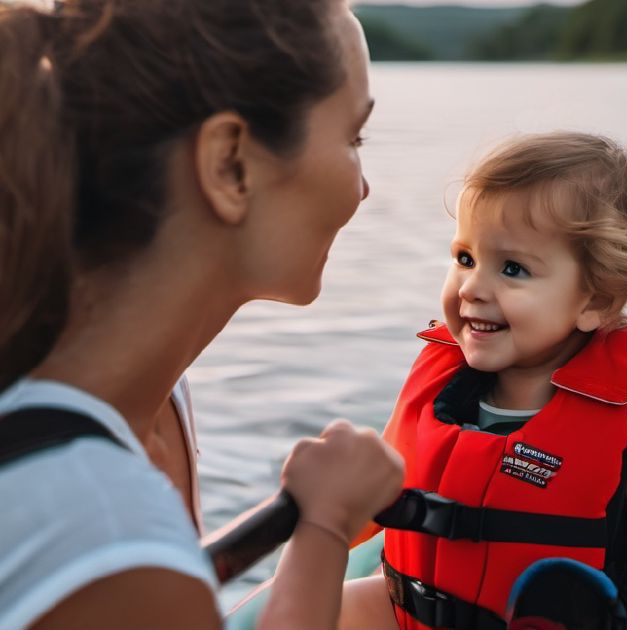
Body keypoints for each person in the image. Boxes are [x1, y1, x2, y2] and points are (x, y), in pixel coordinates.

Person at [0, 0, 404, 628]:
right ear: (230, 164)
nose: (363, 187)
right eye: (354, 137)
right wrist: (324, 527)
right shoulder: (110, 545)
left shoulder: (148, 397)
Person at [341, 132, 627, 629]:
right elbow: (366, 515)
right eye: (465, 258)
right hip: (418, 613)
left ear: (597, 300)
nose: (474, 288)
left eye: (513, 269)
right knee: (338, 605)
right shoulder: (435, 401)